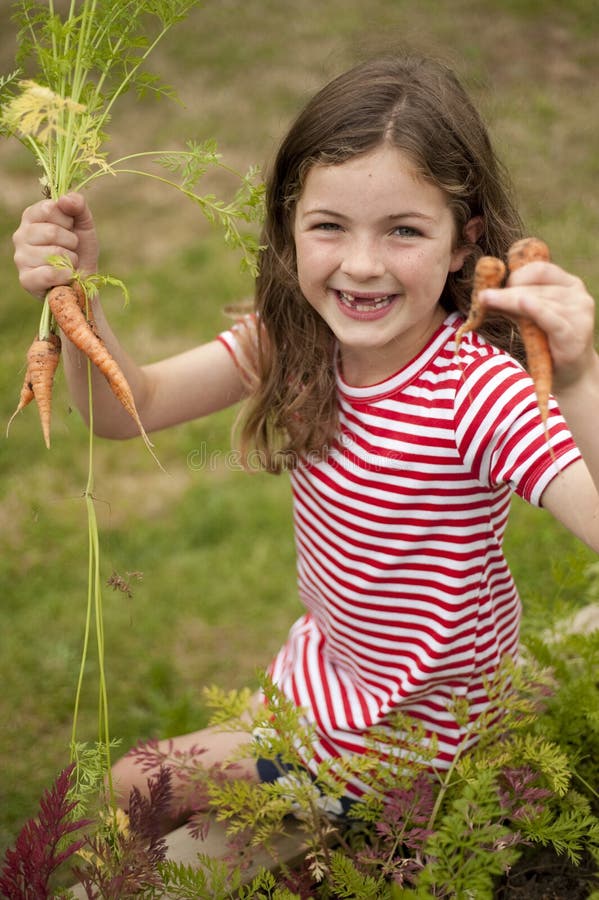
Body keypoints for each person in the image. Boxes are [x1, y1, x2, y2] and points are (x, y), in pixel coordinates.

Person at [12, 54, 599, 819]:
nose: (361, 265)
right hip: (322, 683)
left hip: (413, 747)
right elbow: (132, 408)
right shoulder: (292, 340)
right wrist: (75, 295)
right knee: (138, 798)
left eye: (403, 230)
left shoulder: (474, 389)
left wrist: (580, 379)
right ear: (289, 229)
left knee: (133, 784)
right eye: (329, 226)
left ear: (463, 242)